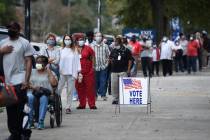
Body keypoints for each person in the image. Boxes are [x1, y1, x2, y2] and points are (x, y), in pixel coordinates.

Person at [0, 22, 34, 140]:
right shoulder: (3, 43)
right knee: (10, 110)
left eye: (13, 28)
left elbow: (29, 61)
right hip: (8, 82)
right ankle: (14, 134)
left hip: (20, 80)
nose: (10, 30)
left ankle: (24, 132)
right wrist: (1, 51)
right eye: (9, 27)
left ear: (19, 30)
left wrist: (26, 80)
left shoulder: (24, 43)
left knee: (21, 108)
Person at [27, 55, 57, 130]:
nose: (38, 64)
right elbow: (26, 82)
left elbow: (54, 84)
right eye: (37, 62)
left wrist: (49, 72)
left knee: (43, 98)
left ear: (45, 64)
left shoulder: (50, 72)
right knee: (29, 97)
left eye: (40, 63)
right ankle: (30, 121)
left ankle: (41, 121)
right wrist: (34, 87)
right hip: (32, 91)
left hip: (44, 93)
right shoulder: (31, 71)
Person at [58, 35, 81, 113]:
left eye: (69, 39)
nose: (67, 40)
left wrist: (79, 72)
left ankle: (68, 107)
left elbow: (78, 61)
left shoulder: (74, 50)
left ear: (71, 40)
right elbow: (57, 61)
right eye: (66, 39)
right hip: (62, 73)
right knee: (58, 90)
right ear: (63, 40)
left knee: (70, 91)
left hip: (71, 73)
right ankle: (56, 104)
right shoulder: (60, 49)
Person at [75, 37, 97, 109]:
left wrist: (93, 66)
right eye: (79, 40)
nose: (81, 41)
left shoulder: (88, 48)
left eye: (82, 40)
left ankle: (92, 104)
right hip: (78, 72)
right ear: (77, 41)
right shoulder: (74, 49)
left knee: (90, 88)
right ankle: (82, 104)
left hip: (88, 71)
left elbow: (93, 56)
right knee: (79, 88)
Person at [109, 36, 132, 104]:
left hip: (123, 70)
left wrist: (128, 69)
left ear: (119, 42)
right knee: (114, 86)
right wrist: (110, 61)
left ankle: (124, 98)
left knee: (124, 85)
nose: (114, 43)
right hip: (114, 70)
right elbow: (110, 58)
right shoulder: (113, 50)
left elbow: (130, 60)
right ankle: (115, 99)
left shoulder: (126, 50)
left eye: (115, 41)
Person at [90, 32, 110, 101]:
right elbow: (89, 56)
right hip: (94, 67)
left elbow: (108, 56)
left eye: (100, 36)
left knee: (103, 81)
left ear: (102, 37)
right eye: (97, 36)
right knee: (95, 82)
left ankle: (103, 95)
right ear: (94, 37)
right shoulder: (91, 46)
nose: (98, 37)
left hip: (103, 67)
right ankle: (95, 95)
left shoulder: (105, 46)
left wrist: (107, 64)